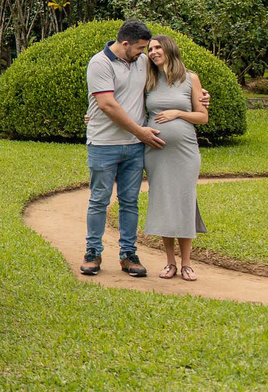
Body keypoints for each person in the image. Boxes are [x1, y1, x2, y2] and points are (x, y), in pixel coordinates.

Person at [81, 19, 162, 278]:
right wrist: (140, 132)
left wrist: (199, 92)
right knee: (99, 200)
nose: (144, 53)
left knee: (129, 202)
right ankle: (93, 252)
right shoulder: (100, 63)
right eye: (140, 48)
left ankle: (128, 254)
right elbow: (107, 105)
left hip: (134, 148)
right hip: (103, 144)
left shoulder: (142, 61)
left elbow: (172, 75)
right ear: (125, 44)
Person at [143, 34, 208, 281]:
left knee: (184, 201)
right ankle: (170, 262)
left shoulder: (190, 78)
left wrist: (178, 113)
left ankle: (187, 264)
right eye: (150, 49)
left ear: (169, 49)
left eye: (158, 47)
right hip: (157, 152)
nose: (153, 52)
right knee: (164, 202)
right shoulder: (148, 79)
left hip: (185, 152)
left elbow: (202, 117)